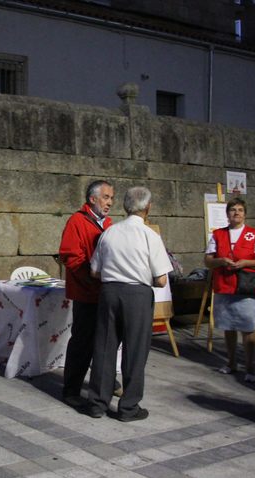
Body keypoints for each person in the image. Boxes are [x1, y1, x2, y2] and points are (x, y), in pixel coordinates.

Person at [79, 186, 172, 421]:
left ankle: (97, 403)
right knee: (135, 350)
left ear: (124, 206)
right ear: (148, 207)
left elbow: (94, 271)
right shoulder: (150, 235)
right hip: (137, 295)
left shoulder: (110, 232)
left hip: (109, 292)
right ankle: (128, 407)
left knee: (105, 347)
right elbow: (161, 280)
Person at [58, 180, 113, 408]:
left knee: (105, 341)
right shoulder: (77, 221)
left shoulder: (108, 223)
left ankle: (103, 381)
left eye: (111, 198)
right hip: (86, 292)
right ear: (92, 199)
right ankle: (71, 388)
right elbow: (71, 257)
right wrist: (92, 278)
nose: (110, 202)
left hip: (105, 291)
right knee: (82, 342)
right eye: (106, 197)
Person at [204, 198, 255, 383]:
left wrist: (246, 262)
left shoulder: (254, 235)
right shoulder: (218, 235)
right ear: (227, 214)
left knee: (248, 328)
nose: (236, 213)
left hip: (246, 286)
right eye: (233, 210)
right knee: (228, 326)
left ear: (245, 213)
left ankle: (250, 367)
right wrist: (221, 261)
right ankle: (231, 362)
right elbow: (208, 260)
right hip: (224, 285)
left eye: (240, 210)